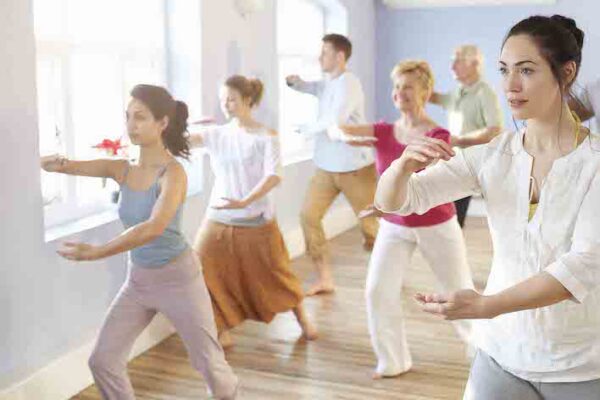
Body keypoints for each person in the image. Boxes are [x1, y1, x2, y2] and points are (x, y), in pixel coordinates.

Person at [376, 15, 600, 399]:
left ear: (566, 72)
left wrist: (487, 305)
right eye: (504, 70)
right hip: (500, 353)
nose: (510, 85)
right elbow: (397, 201)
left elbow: (582, 265)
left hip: (580, 363)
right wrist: (402, 167)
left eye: (526, 70)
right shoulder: (493, 156)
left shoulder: (594, 163)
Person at [41, 84, 238, 399]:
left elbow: (153, 227)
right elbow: (72, 165)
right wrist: (50, 163)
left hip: (179, 279)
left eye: (141, 117)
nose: (131, 125)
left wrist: (97, 252)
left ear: (162, 123)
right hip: (139, 280)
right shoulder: (121, 168)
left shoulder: (173, 173)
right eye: (128, 116)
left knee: (210, 365)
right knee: (103, 361)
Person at [334, 60, 473, 379]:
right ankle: (393, 361)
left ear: (425, 91)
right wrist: (335, 118)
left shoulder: (438, 135)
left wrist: (384, 201)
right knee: (378, 291)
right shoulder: (383, 131)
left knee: (459, 292)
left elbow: (424, 180)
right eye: (396, 86)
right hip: (394, 227)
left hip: (436, 224)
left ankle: (486, 354)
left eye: (407, 86)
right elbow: (341, 130)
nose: (399, 92)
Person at [190, 75, 318, 349]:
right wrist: (187, 124)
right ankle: (221, 329)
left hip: (255, 219)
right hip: (217, 217)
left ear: (248, 100)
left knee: (277, 273)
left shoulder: (266, 137)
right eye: (223, 100)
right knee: (201, 271)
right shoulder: (216, 134)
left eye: (231, 100)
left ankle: (303, 320)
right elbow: (178, 142)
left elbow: (274, 176)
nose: (226, 105)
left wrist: (244, 201)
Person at [286, 33, 378, 296]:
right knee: (308, 216)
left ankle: (387, 270)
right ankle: (324, 278)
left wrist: (306, 129)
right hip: (327, 167)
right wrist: (297, 83)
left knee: (371, 227)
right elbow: (314, 88)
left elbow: (335, 120)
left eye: (324, 52)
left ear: (339, 56)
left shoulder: (350, 83)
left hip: (355, 168)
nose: (319, 57)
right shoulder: (328, 83)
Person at [429, 44, 504, 227]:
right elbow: (434, 98)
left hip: (476, 164)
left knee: (456, 216)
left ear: (475, 64)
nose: (452, 66)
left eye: (458, 61)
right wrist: (416, 81)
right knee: (451, 216)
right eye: (452, 61)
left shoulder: (485, 93)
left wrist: (460, 140)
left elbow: (494, 130)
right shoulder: (457, 92)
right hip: (457, 161)